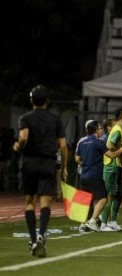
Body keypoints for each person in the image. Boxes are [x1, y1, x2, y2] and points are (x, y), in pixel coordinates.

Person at [12, 85, 68, 257]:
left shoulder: (25, 118)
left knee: (29, 202)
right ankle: (41, 235)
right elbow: (64, 146)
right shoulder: (55, 120)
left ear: (31, 101)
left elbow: (23, 138)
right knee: (46, 202)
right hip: (48, 163)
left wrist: (17, 146)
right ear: (47, 101)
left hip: (30, 162)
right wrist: (64, 167)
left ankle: (32, 238)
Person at [75, 120, 122, 232]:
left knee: (87, 201)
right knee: (104, 198)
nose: (101, 131)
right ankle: (93, 221)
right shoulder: (98, 143)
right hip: (94, 175)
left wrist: (86, 164)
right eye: (100, 129)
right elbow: (112, 155)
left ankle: (83, 224)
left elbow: (78, 159)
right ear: (96, 130)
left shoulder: (83, 142)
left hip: (83, 176)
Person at [101, 107, 122, 231]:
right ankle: (104, 223)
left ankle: (112, 221)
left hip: (117, 166)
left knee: (117, 195)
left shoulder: (120, 130)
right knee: (111, 196)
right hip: (112, 166)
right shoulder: (118, 130)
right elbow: (109, 145)